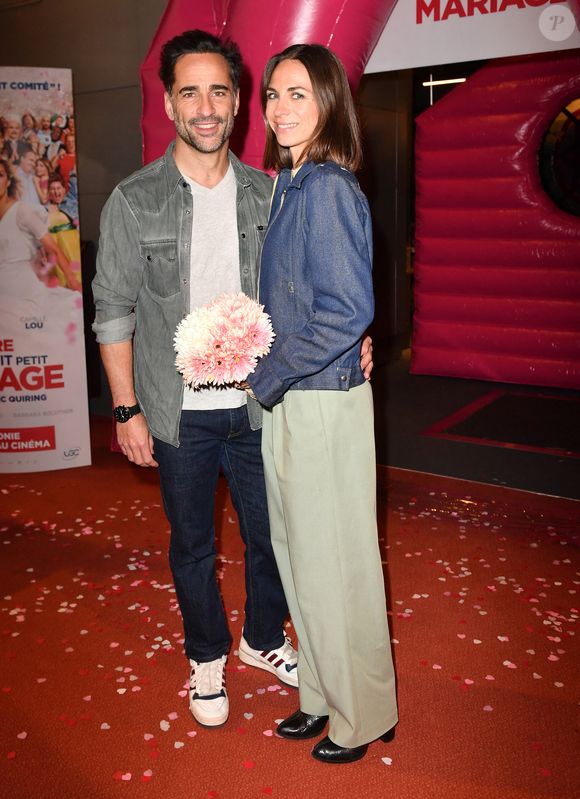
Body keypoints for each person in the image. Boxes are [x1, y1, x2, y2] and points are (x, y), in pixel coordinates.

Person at [92, 29, 301, 731]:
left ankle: (262, 637)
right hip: (176, 412)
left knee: (272, 536)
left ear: (239, 102)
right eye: (190, 91)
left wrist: (350, 345)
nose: (206, 106)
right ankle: (206, 655)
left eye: (219, 90)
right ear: (170, 101)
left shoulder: (268, 196)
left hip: (257, 408)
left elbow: (300, 294)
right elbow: (114, 310)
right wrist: (126, 410)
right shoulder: (133, 200)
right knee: (193, 546)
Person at [245, 44, 398, 764]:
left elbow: (345, 311)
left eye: (298, 94)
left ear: (330, 101)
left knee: (332, 562)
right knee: (300, 557)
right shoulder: (292, 182)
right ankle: (324, 692)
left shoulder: (329, 186)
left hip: (317, 402)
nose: (279, 108)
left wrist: (267, 373)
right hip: (294, 396)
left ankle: (358, 713)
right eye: (273, 94)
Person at [0, 157, 82, 305]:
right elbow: (40, 239)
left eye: (59, 188)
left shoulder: (71, 203)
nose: (56, 192)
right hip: (56, 257)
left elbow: (74, 178)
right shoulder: (43, 211)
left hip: (74, 251)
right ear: (48, 192)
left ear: (64, 189)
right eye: (52, 189)